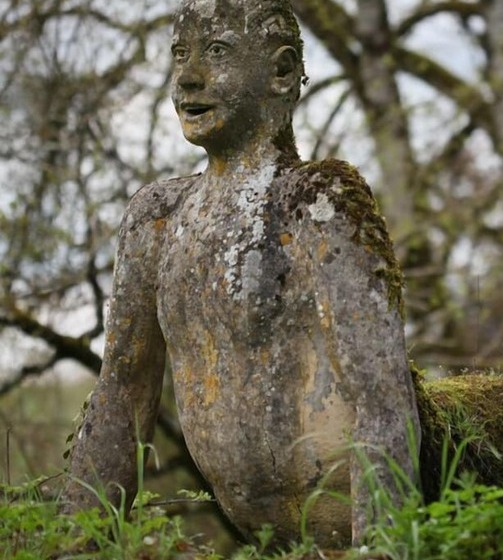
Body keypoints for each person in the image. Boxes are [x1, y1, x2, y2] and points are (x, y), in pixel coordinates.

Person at [61, 0, 420, 549]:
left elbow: (383, 401)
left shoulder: (318, 201)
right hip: (268, 539)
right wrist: (69, 543)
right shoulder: (157, 217)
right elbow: (120, 396)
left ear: (280, 73)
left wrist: (385, 548)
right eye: (180, 55)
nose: (188, 77)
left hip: (355, 533)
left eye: (217, 53)